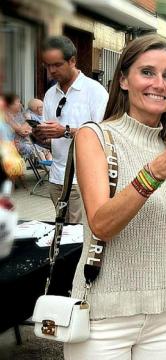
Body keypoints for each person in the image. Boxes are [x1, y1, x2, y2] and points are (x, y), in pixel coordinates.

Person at [63, 34, 166, 359]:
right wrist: (154, 173)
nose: (159, 83)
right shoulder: (95, 137)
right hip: (106, 313)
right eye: (147, 72)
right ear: (123, 79)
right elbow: (101, 223)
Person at [33, 35, 109, 223]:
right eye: (47, 65)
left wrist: (65, 131)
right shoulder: (51, 94)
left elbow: (104, 134)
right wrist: (39, 136)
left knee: (78, 239)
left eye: (57, 65)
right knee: (61, 233)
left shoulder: (95, 91)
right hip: (57, 179)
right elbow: (51, 140)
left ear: (72, 61)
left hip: (82, 181)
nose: (51, 71)